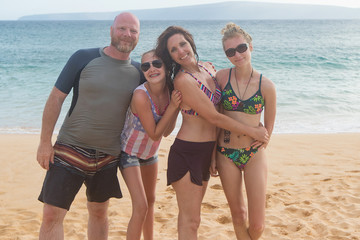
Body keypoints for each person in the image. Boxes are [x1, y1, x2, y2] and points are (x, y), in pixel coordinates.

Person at [36, 12, 144, 240]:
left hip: (108, 156)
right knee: (51, 214)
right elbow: (56, 98)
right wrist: (44, 142)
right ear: (111, 30)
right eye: (122, 28)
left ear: (138, 36)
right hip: (69, 149)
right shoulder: (83, 57)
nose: (127, 34)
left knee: (98, 212)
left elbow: (160, 99)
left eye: (133, 30)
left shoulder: (139, 72)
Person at [154, 26, 269, 240]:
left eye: (183, 44)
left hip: (210, 149)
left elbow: (225, 108)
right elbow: (214, 117)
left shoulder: (209, 68)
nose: (180, 51)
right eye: (173, 50)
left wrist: (254, 124)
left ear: (191, 43)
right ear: (170, 56)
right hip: (189, 152)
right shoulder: (182, 80)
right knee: (191, 220)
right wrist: (252, 131)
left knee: (196, 220)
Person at [211, 22, 276, 240]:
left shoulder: (267, 86)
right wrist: (212, 155)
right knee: (238, 216)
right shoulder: (221, 78)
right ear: (226, 55)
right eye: (230, 52)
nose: (237, 55)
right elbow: (215, 119)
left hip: (253, 155)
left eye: (241, 48)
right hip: (225, 154)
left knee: (257, 225)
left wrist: (262, 139)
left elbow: (267, 130)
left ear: (250, 46)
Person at [119, 49, 181, 240]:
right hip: (129, 152)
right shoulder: (140, 95)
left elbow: (167, 131)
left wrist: (175, 108)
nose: (151, 69)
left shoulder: (170, 91)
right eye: (145, 66)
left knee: (151, 201)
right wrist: (173, 107)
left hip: (150, 152)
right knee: (141, 206)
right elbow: (154, 134)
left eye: (157, 64)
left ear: (166, 66)